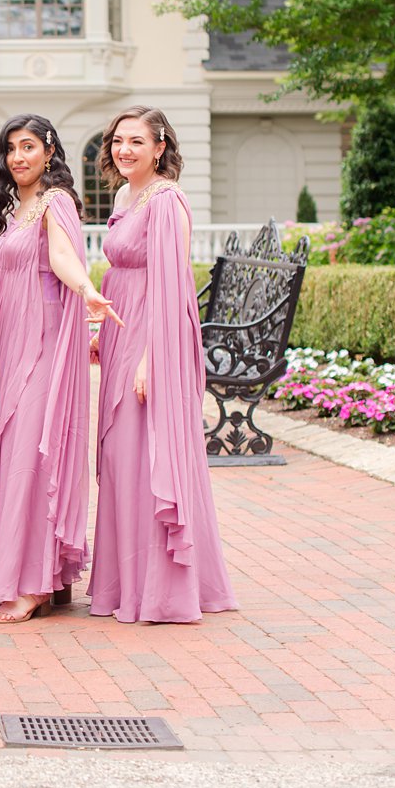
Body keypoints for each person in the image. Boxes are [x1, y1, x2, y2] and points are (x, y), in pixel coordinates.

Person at [0, 115, 121, 624]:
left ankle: (32, 582)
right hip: (14, 343)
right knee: (15, 446)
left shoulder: (56, 201)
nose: (18, 157)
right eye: (11, 148)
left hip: (45, 340)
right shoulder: (21, 207)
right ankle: (44, 576)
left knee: (32, 450)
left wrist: (87, 289)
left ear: (50, 151)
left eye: (28, 146)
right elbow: (6, 265)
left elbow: (60, 257)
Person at [89, 106, 238, 623]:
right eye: (117, 141)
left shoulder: (167, 200)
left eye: (136, 141)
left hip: (155, 340)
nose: (124, 149)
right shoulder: (127, 196)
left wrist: (152, 358)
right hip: (122, 334)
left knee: (146, 456)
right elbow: (122, 275)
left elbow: (172, 287)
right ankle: (125, 583)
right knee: (120, 459)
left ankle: (160, 590)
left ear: (160, 148)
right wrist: (104, 332)